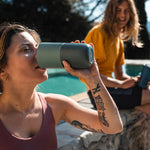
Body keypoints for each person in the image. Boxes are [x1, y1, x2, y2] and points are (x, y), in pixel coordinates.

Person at [0, 22, 123, 150]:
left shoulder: (55, 106)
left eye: (38, 47)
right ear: (2, 70)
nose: (39, 54)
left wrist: (93, 79)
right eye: (26, 49)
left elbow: (113, 127)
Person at [84, 0, 150, 115]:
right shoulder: (98, 33)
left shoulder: (118, 41)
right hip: (98, 94)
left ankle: (136, 108)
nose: (122, 16)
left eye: (126, 11)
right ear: (111, 12)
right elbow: (89, 73)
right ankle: (136, 107)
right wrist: (120, 85)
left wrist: (134, 80)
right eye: (118, 11)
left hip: (113, 90)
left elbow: (120, 75)